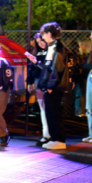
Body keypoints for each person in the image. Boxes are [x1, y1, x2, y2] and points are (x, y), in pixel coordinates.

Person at [37, 22, 70, 151]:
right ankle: (55, 138)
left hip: (54, 87)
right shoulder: (53, 47)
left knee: (54, 112)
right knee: (51, 112)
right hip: (53, 86)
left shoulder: (56, 48)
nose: (42, 36)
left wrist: (50, 85)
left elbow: (56, 69)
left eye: (43, 33)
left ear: (49, 33)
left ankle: (59, 139)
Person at [24, 33, 51, 145]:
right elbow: (31, 68)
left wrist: (36, 62)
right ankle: (46, 134)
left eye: (42, 40)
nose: (41, 43)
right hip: (38, 82)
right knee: (42, 109)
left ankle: (49, 134)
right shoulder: (36, 52)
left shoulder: (51, 52)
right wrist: (29, 81)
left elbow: (47, 68)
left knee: (48, 108)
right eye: (38, 41)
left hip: (48, 83)